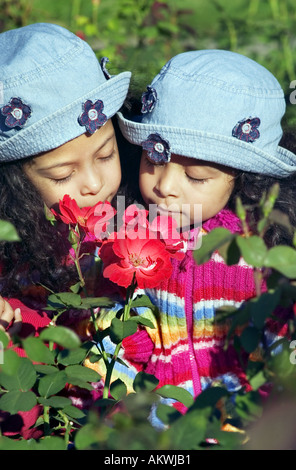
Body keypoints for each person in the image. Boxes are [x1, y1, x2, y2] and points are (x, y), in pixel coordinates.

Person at [87, 50, 296, 429]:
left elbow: (279, 338)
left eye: (196, 178)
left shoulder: (255, 252)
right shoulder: (132, 236)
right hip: (156, 416)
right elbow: (123, 336)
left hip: (244, 416)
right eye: (153, 160)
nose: (165, 186)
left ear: (246, 178)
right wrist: (118, 400)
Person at [0, 22, 131, 437]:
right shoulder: (13, 247)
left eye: (107, 153)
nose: (93, 184)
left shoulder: (137, 216)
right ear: (14, 183)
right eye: (62, 174)